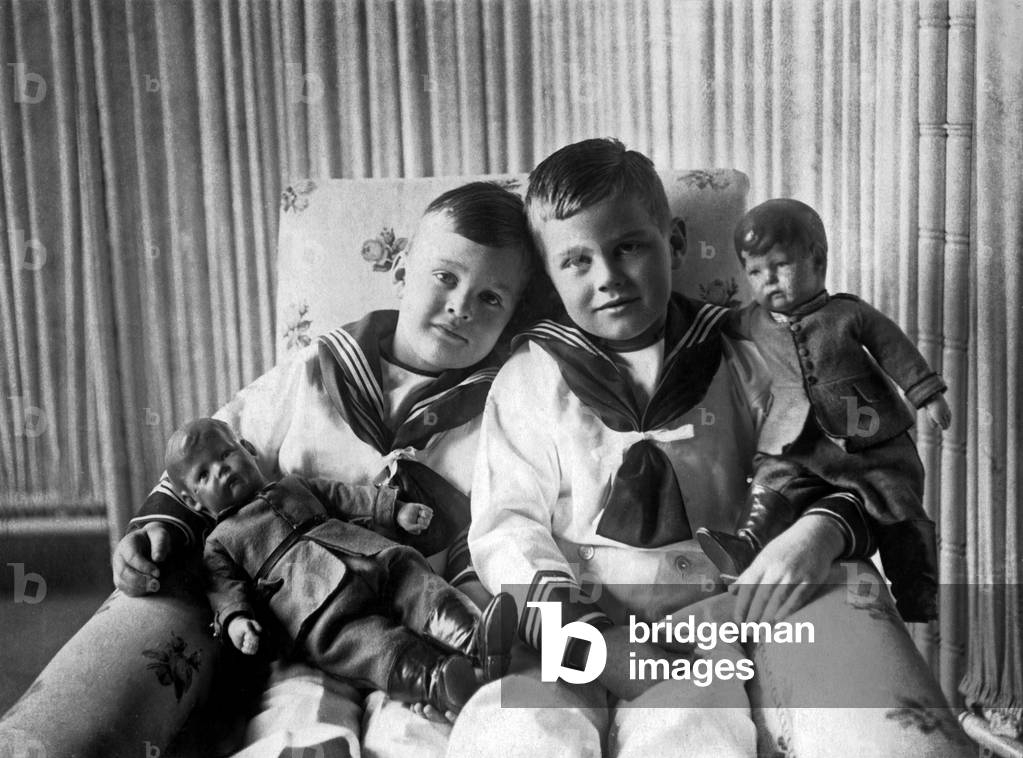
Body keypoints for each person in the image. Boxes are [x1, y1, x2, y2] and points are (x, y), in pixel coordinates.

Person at [447, 139, 971, 757]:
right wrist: (583, 638)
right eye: (577, 262)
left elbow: (825, 461)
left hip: (701, 622)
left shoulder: (740, 353)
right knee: (519, 727)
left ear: (672, 242)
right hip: (568, 622)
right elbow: (507, 526)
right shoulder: (529, 377)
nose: (609, 277)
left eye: (629, 247)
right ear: (548, 273)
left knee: (693, 729)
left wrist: (819, 530)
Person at [112, 181, 540, 755]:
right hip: (308, 624)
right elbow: (210, 452)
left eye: (492, 298)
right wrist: (160, 528)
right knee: (298, 724)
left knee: (419, 736)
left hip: (425, 622)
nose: (462, 305)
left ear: (511, 315)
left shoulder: (503, 402)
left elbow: (501, 517)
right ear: (402, 271)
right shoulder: (317, 370)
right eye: (446, 277)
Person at [696, 198, 951, 622]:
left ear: (816, 261)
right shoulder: (754, 320)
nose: (768, 281)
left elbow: (894, 349)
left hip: (867, 435)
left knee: (897, 500)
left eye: (779, 265)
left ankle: (917, 590)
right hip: (796, 440)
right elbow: (716, 323)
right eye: (755, 272)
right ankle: (746, 544)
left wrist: (926, 393)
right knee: (772, 481)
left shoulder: (847, 314)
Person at [165, 417, 516, 715]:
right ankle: (440, 681)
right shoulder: (219, 542)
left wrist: (394, 510)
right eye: (203, 475)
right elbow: (223, 589)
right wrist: (237, 621)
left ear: (247, 448)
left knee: (418, 583)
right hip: (318, 610)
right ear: (190, 499)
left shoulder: (294, 485)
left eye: (226, 454)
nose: (222, 469)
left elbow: (346, 496)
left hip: (372, 557)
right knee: (372, 648)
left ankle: (476, 638)